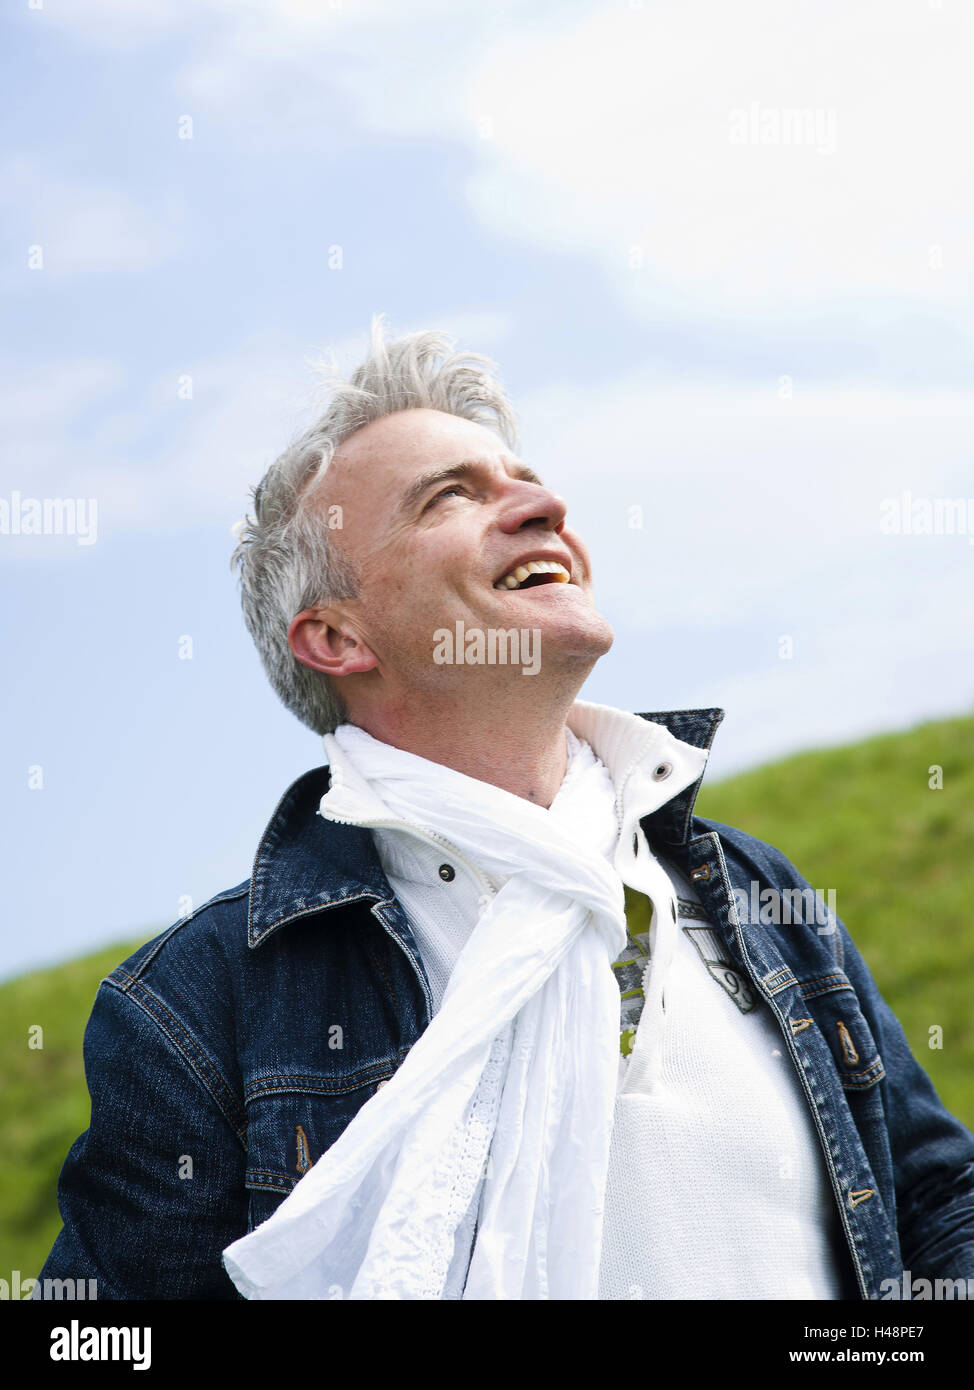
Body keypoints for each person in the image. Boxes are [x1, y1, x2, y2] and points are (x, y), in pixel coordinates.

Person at [37, 319, 974, 1300]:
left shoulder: (753, 895)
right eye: (450, 495)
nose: (546, 505)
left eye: (522, 477)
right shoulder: (196, 1003)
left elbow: (937, 1206)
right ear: (335, 635)